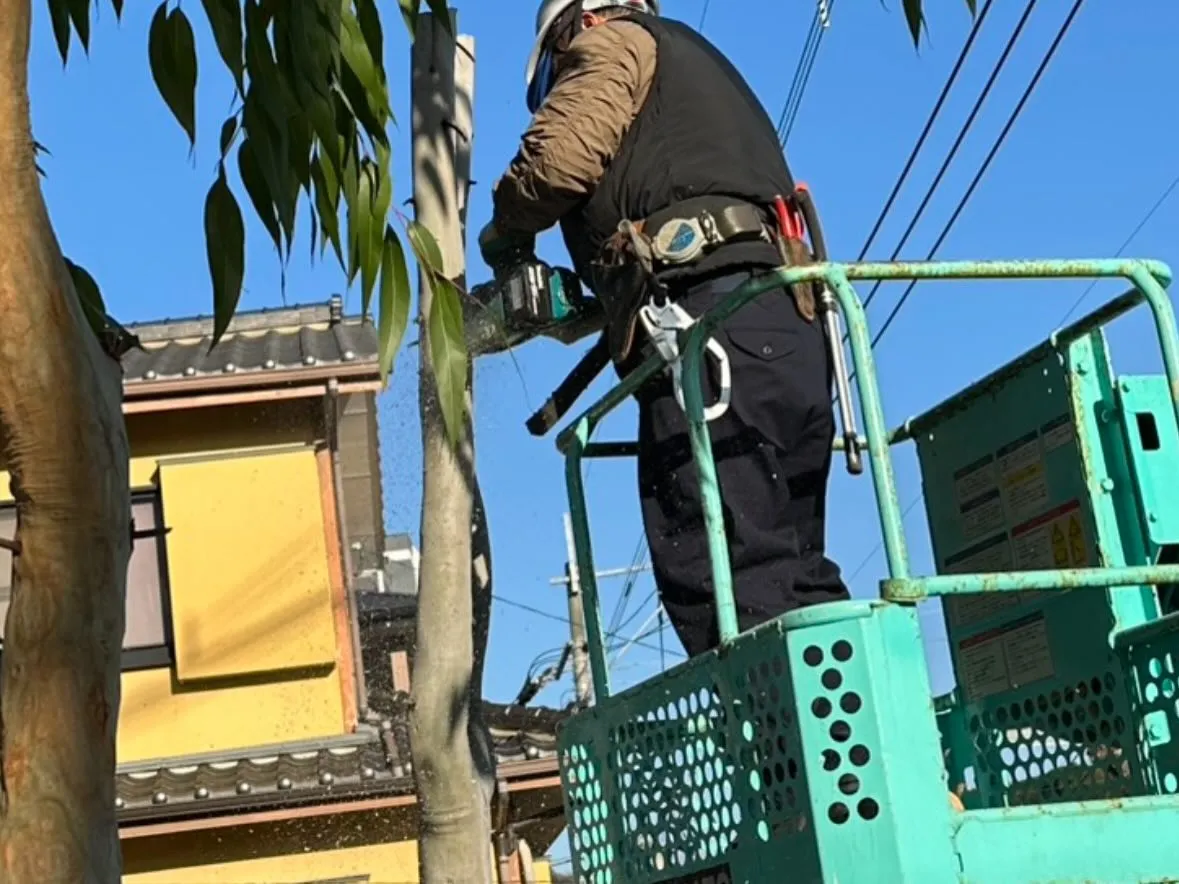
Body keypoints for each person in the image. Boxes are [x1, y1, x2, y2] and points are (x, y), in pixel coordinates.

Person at [479, 0, 849, 658]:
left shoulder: (612, 44)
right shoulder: (698, 81)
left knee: (722, 576)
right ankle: (847, 747)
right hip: (784, 326)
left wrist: (503, 231)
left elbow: (558, 163)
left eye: (551, 82)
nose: (555, 93)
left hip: (709, 335)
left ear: (581, 23)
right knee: (788, 567)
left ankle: (781, 757)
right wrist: (600, 302)